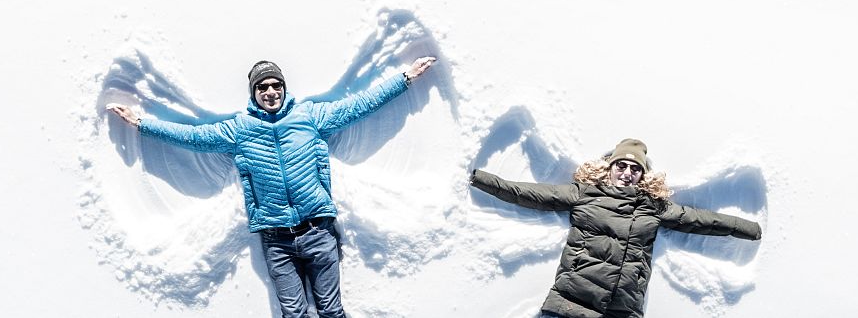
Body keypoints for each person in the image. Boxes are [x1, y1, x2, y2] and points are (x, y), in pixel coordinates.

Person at [107, 56, 436, 318]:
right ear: (254, 93)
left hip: (318, 231)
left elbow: (358, 106)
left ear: (284, 87)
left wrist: (404, 78)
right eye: (262, 87)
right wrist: (141, 124)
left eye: (276, 85)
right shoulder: (240, 130)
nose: (270, 92)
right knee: (293, 314)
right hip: (277, 241)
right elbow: (194, 137)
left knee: (331, 311)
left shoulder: (309, 116)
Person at [469, 138, 762, 318]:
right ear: (609, 168)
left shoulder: (653, 207)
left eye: (635, 169)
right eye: (621, 166)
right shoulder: (585, 194)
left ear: (642, 176)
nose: (627, 173)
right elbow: (529, 194)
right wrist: (480, 179)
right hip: (571, 305)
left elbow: (701, 220)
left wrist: (748, 228)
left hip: (622, 310)